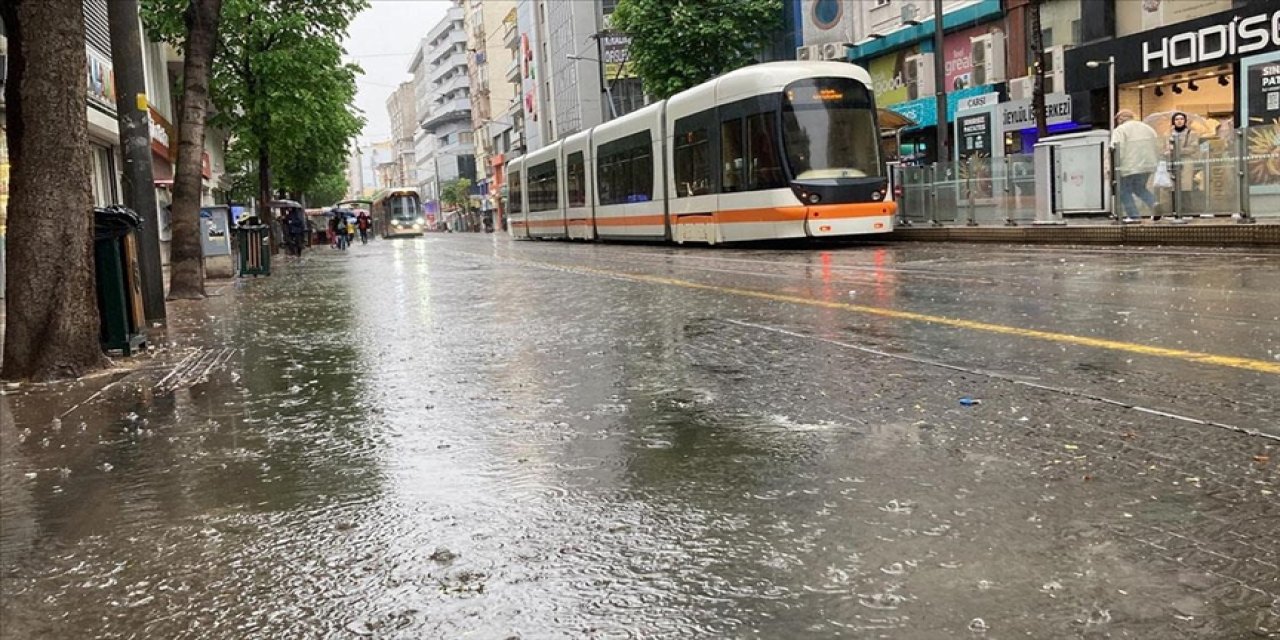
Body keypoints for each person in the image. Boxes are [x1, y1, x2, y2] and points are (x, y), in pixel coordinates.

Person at [1111, 109, 1161, 223]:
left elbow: (1118, 148)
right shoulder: (1148, 128)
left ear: (1121, 119)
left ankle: (1134, 216)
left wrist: (1116, 165)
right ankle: (1154, 203)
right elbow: (1157, 145)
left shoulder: (1120, 130)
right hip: (1148, 164)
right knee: (1139, 188)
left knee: (1123, 191)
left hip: (1129, 165)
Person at [1166, 111, 1199, 221]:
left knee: (1185, 186)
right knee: (1173, 186)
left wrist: (1178, 150)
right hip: (1172, 161)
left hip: (1186, 161)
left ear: (1185, 121)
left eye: (1181, 119)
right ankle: (1174, 210)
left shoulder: (1191, 133)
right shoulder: (1169, 134)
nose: (1179, 121)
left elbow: (1193, 148)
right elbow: (1165, 148)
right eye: (1176, 119)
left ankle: (1188, 210)